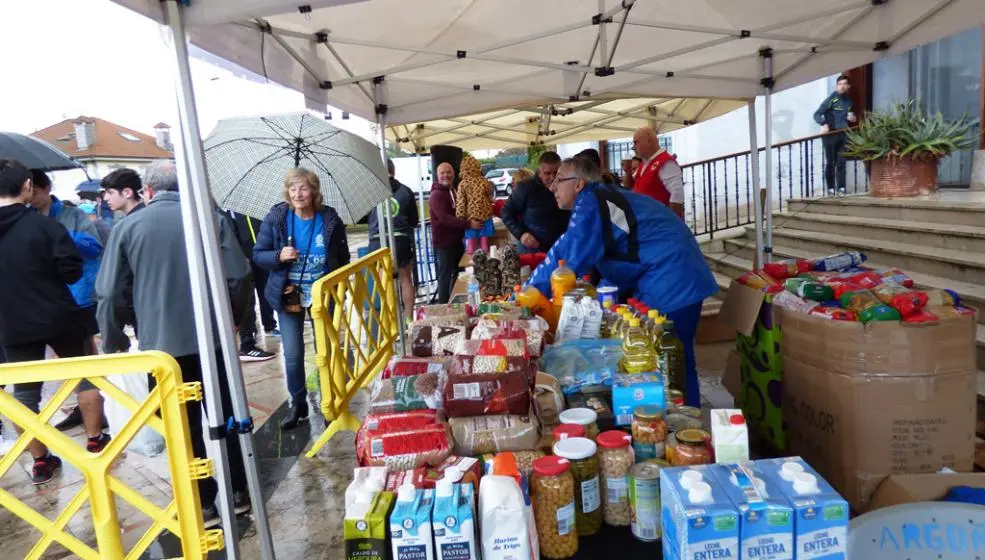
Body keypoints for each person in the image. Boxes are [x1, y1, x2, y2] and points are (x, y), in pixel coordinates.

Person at [96, 159, 253, 526]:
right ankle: (239, 491)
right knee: (227, 417)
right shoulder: (210, 219)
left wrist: (114, 337)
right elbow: (240, 276)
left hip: (162, 349)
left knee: (182, 428)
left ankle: (203, 500)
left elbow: (108, 293)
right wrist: (232, 319)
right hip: (213, 342)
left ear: (147, 190)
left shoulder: (129, 227)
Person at [525, 157, 718, 407]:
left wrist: (527, 295)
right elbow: (570, 251)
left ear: (579, 184)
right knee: (667, 358)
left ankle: (684, 423)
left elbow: (569, 260)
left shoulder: (593, 202)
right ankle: (678, 415)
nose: (552, 187)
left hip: (672, 277)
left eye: (559, 179)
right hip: (665, 273)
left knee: (670, 360)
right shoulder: (597, 199)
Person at [0, 159, 110, 484]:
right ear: (27, 187)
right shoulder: (45, 226)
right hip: (59, 314)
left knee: (24, 394)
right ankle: (94, 439)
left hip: (12, 323)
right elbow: (71, 270)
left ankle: (41, 461)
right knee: (85, 377)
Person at [253, 168, 351, 430]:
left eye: (304, 188)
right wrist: (278, 256)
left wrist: (335, 285)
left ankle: (330, 399)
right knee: (294, 354)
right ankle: (298, 404)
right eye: (293, 188)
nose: (298, 194)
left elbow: (343, 259)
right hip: (289, 295)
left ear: (314, 191)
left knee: (327, 351)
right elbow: (258, 255)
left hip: (323, 295)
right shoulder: (277, 218)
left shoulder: (329, 218)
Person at [31, 170, 108, 433]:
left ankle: (98, 410)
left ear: (45, 188)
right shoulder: (26, 218)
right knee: (68, 360)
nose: (31, 198)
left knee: (86, 354)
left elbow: (94, 247)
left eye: (35, 192)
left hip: (80, 296)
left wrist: (60, 235)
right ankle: (82, 407)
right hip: (48, 299)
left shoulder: (71, 215)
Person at [368, 158, 420, 322]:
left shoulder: (371, 193)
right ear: (393, 170)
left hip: (377, 241)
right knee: (405, 279)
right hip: (401, 240)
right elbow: (413, 221)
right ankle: (408, 318)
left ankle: (389, 319)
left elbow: (363, 218)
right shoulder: (406, 191)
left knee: (384, 281)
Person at [227, 209, 277, 362]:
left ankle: (269, 324)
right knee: (247, 297)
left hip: (260, 253)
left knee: (266, 289)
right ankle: (247, 342)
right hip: (242, 257)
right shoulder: (227, 211)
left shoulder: (252, 205)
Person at [501, 151, 569, 254]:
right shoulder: (525, 187)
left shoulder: (567, 185)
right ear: (539, 172)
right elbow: (506, 212)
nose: (552, 177)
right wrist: (522, 234)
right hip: (532, 249)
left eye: (556, 173)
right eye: (547, 173)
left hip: (562, 247)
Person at [429, 162, 474, 304]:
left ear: (454, 174)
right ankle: (443, 306)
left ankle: (456, 303)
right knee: (445, 276)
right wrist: (468, 224)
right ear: (437, 175)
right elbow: (444, 218)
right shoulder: (436, 195)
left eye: (448, 172)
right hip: (444, 243)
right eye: (442, 173)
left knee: (458, 275)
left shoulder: (453, 190)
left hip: (456, 240)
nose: (446, 175)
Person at [814, 74, 857, 196]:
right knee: (830, 163)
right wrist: (824, 124)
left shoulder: (849, 101)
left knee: (841, 162)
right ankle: (831, 188)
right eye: (840, 84)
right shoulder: (832, 99)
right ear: (837, 86)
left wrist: (852, 118)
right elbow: (817, 114)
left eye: (844, 84)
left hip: (843, 134)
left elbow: (849, 116)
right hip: (830, 135)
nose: (842, 86)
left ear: (848, 86)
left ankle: (841, 188)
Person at [631, 127, 685, 219]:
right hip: (648, 223)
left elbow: (677, 194)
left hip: (660, 225)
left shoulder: (666, 162)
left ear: (649, 141)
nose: (633, 147)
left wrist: (671, 222)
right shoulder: (645, 163)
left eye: (636, 142)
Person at [455, 155, 494, 255]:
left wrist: (460, 216)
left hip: (471, 215)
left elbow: (461, 202)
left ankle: (471, 249)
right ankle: (485, 248)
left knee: (471, 235)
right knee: (485, 233)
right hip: (485, 213)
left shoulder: (462, 184)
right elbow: (490, 193)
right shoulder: (484, 181)